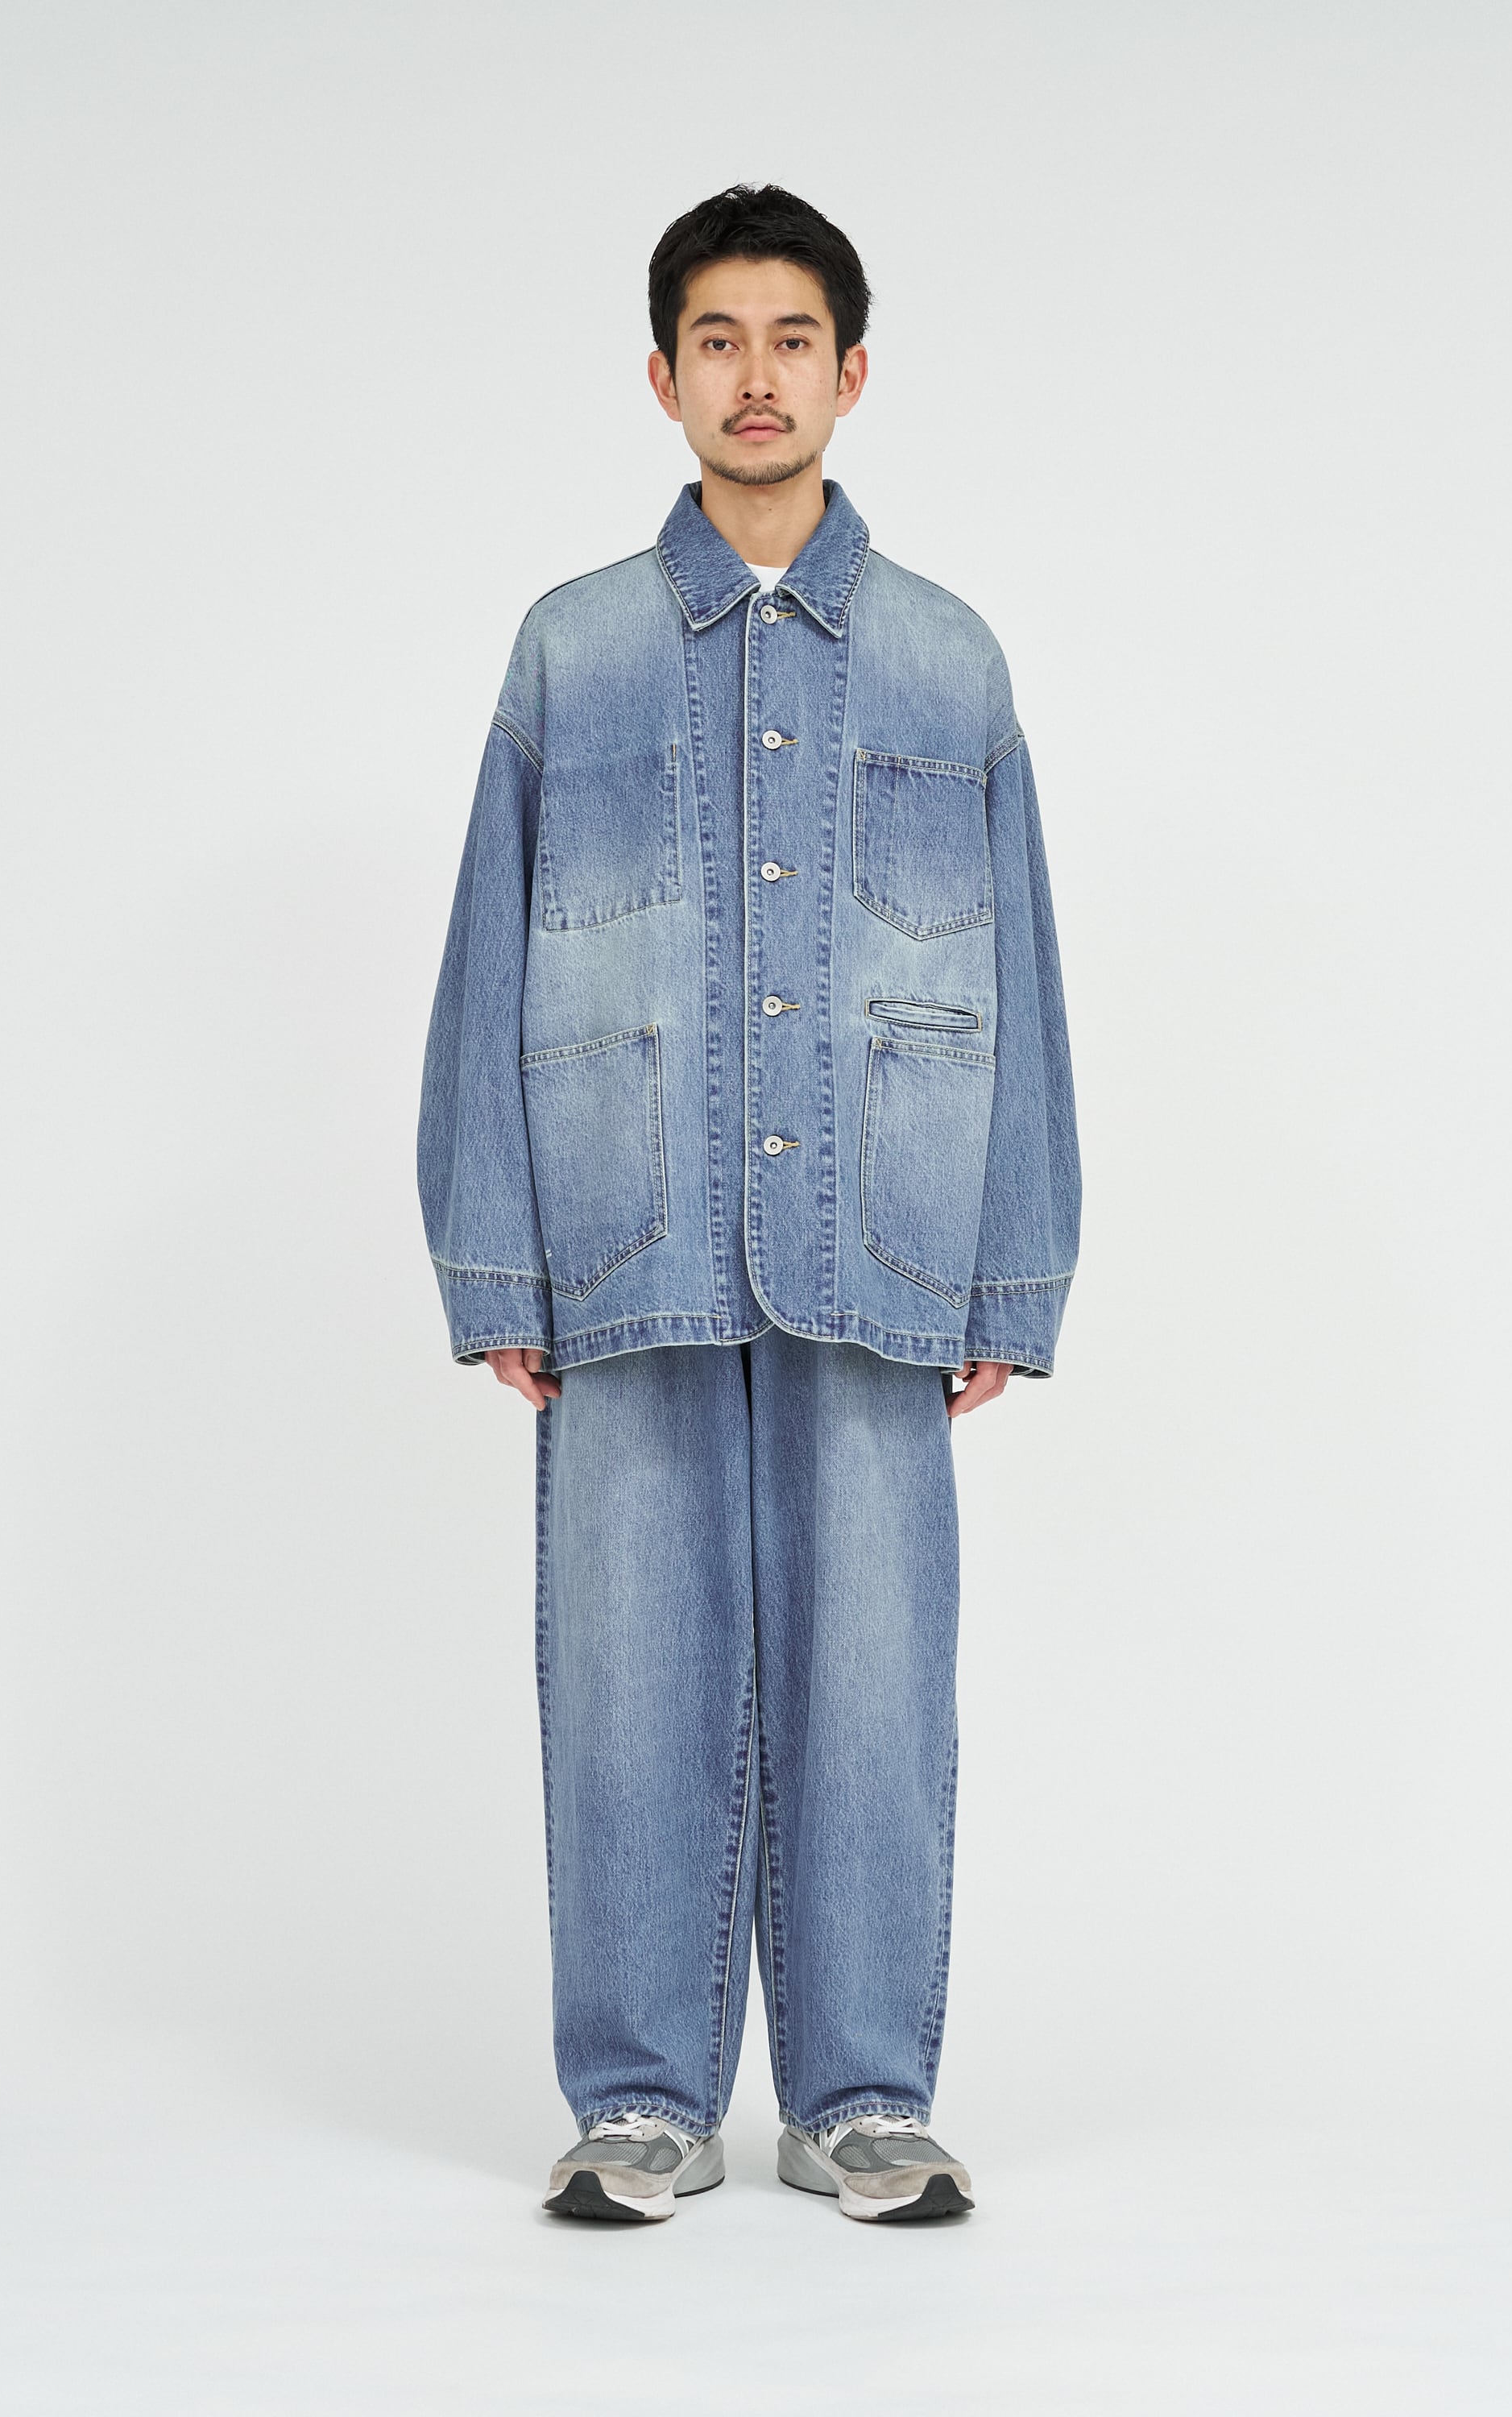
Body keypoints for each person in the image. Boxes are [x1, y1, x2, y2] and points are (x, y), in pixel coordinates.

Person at [417, 184, 1078, 2224]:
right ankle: (640, 2098)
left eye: (794, 338)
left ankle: (865, 2094)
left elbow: (1022, 969)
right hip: (626, 1241)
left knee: (875, 1676)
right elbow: (487, 951)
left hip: (884, 1236)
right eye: (719, 339)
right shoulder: (574, 649)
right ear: (663, 377)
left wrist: (1012, 1267)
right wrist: (494, 1252)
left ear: (851, 372)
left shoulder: (949, 660)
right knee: (630, 1676)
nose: (758, 375)